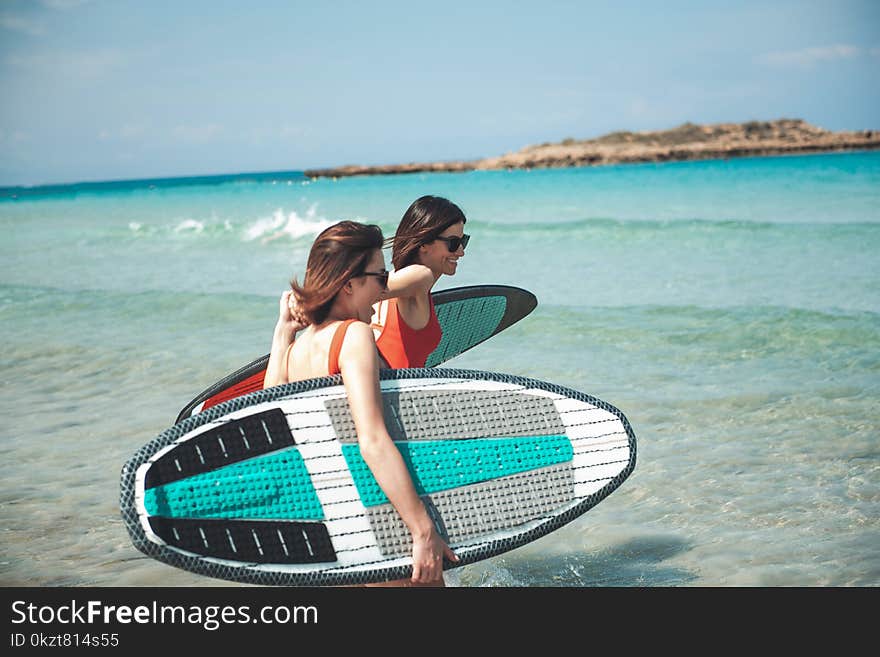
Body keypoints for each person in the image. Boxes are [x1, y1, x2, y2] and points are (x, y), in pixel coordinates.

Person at [262, 220, 457, 587]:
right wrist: (421, 529)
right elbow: (372, 439)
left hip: (339, 525)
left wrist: (284, 330)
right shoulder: (354, 335)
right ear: (349, 283)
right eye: (380, 279)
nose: (384, 290)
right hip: (383, 511)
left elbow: (271, 416)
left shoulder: (294, 351)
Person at [372, 195, 469, 368]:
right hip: (392, 392)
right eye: (454, 243)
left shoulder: (404, 283)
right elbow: (360, 289)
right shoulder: (419, 277)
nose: (461, 252)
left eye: (463, 241)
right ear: (424, 243)